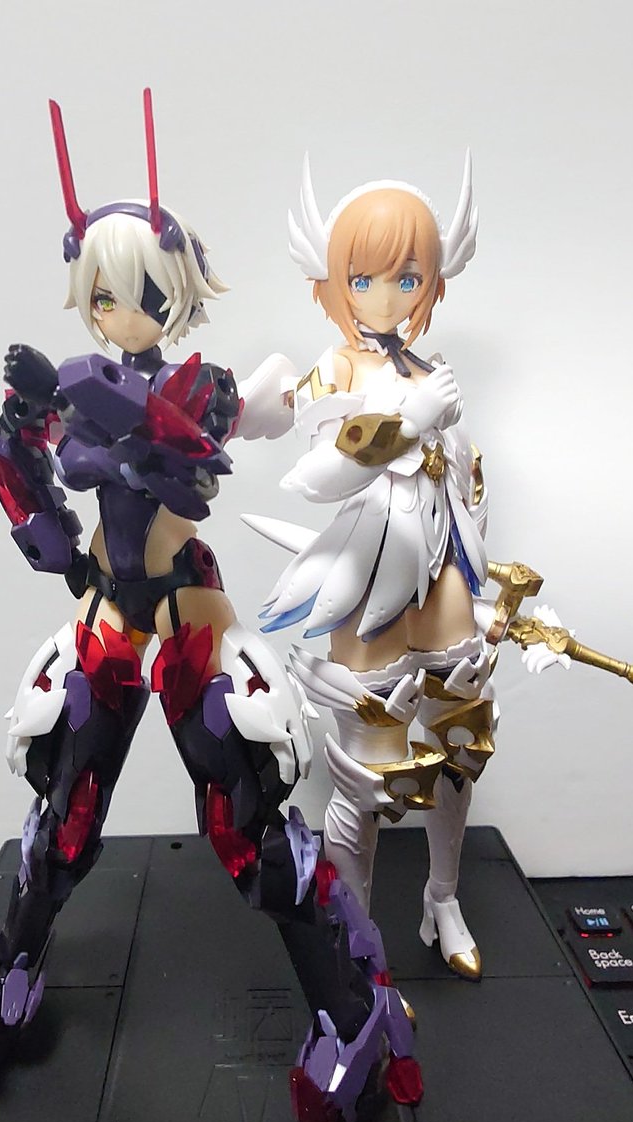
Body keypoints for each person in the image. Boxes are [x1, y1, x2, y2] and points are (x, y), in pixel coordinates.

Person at [0, 97, 421, 1122]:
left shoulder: (194, 388)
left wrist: (105, 440)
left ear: (175, 289)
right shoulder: (74, 392)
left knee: (252, 832)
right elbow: (36, 509)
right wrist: (27, 454)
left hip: (187, 621)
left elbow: (192, 463)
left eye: (141, 293)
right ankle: (11, 984)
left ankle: (354, 1016)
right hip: (107, 615)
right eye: (103, 295)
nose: (122, 313)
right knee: (63, 818)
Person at [248, 153, 498, 981]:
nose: (386, 298)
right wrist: (408, 421)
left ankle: (442, 897)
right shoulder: (336, 369)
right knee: (367, 774)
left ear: (431, 282)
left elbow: (462, 482)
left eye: (407, 278)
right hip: (372, 582)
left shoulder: (431, 370)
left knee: (460, 745)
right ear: (335, 282)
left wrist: (487, 583)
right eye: (364, 279)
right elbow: (316, 478)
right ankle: (356, 945)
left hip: (446, 577)